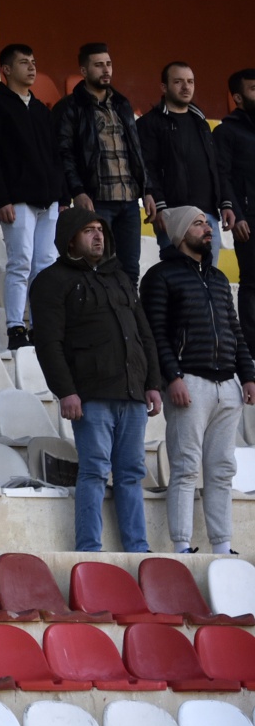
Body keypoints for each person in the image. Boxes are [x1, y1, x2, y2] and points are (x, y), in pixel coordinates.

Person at [29, 207, 164, 552]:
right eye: (88, 230)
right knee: (93, 472)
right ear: (71, 238)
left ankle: (138, 549)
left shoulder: (120, 277)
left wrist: (153, 381)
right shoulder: (51, 281)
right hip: (90, 395)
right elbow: (48, 343)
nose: (98, 235)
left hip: (133, 393)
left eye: (100, 229)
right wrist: (66, 391)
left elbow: (143, 333)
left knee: (132, 472)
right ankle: (89, 549)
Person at [140, 205, 255, 555]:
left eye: (207, 223)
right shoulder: (160, 277)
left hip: (228, 387)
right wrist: (172, 377)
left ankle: (221, 546)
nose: (207, 229)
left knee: (222, 470)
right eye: (198, 223)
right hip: (189, 383)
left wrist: (247, 376)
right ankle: (181, 546)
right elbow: (156, 333)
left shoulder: (219, 279)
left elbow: (234, 330)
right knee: (186, 468)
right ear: (179, 233)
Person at [0, 43, 62, 352]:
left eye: (34, 62)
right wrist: (0, 199)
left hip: (48, 200)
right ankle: (15, 327)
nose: (32, 68)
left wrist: (61, 196)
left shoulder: (40, 110)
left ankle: (41, 325)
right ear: (6, 69)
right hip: (17, 200)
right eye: (24, 62)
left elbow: (55, 156)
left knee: (46, 264)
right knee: (20, 261)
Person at [52, 43, 151, 285]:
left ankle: (128, 321)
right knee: (96, 267)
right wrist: (78, 191)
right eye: (98, 65)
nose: (106, 70)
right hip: (97, 200)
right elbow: (64, 153)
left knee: (129, 270)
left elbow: (136, 151)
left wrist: (147, 190)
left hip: (129, 200)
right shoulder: (69, 107)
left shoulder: (122, 104)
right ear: (84, 71)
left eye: (108, 64)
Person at [138, 62, 235, 261]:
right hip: (175, 214)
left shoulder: (201, 122)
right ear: (164, 87)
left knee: (209, 283)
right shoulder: (149, 123)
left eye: (190, 82)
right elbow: (147, 167)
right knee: (178, 281)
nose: (186, 87)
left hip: (208, 215)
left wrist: (226, 203)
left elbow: (215, 167)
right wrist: (161, 206)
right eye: (178, 82)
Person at [216, 69, 255, 346]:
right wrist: (237, 214)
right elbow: (222, 175)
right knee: (252, 283)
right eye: (254, 89)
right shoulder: (226, 131)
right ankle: (252, 349)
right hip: (248, 218)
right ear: (238, 97)